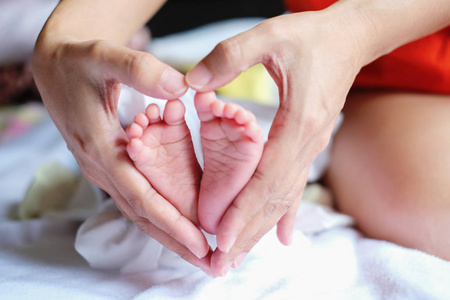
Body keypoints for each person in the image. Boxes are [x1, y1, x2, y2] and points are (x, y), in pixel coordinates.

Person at [32, 0, 450, 278]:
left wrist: (356, 28)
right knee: (428, 211)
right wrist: (60, 42)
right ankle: (211, 195)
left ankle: (206, 183)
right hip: (397, 75)